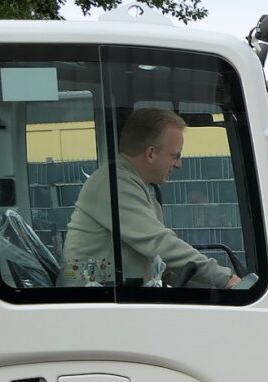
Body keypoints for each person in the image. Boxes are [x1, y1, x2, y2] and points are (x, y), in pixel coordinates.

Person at [62, 108, 240, 288]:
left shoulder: (135, 185)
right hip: (93, 306)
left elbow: (159, 265)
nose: (179, 164)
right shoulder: (113, 185)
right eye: (175, 156)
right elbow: (160, 244)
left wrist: (211, 288)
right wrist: (226, 279)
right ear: (151, 153)